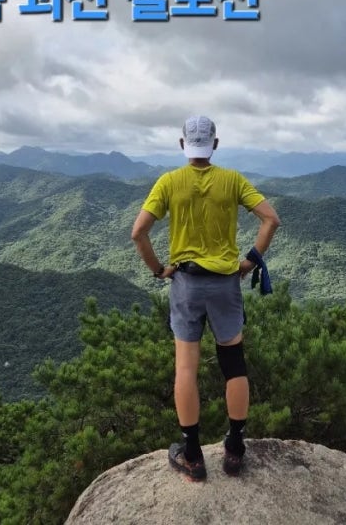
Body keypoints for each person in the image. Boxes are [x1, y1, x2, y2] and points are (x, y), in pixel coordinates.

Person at [131, 115, 281, 481]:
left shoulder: (169, 182)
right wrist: (250, 261)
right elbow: (271, 219)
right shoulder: (232, 180)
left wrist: (159, 270)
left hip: (186, 283)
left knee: (186, 369)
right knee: (234, 365)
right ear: (215, 144)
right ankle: (235, 449)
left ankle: (193, 456)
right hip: (225, 284)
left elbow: (138, 232)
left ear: (183, 144)